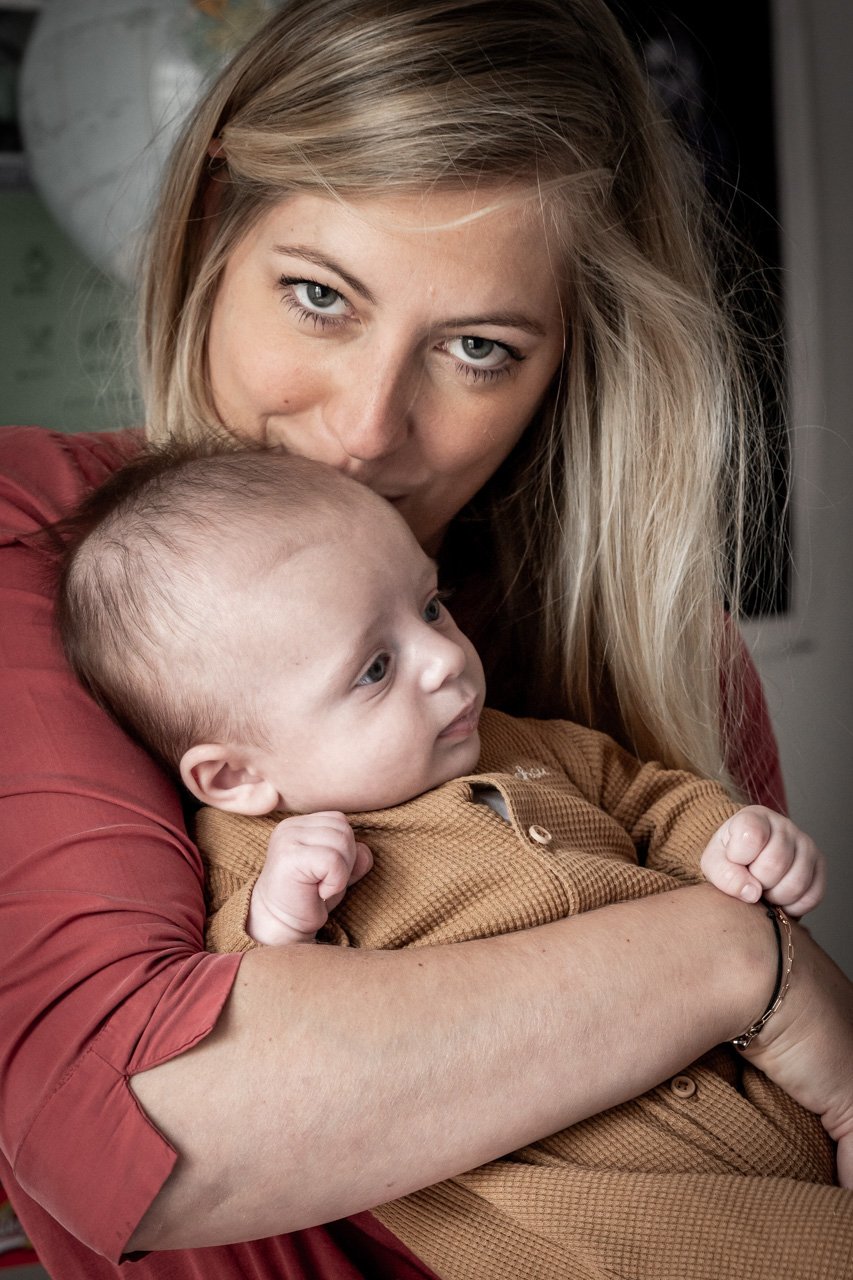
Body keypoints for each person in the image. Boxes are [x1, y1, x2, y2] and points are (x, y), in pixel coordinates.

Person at [2, 1, 852, 1278]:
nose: (364, 428)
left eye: (476, 348)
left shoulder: (669, 650)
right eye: (319, 296)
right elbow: (140, 1126)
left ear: (569, 356)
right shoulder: (37, 536)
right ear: (214, 224)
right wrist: (741, 958)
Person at [54, 441, 850, 1279]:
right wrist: (277, 923)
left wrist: (729, 838)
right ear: (235, 777)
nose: (443, 658)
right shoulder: (263, 856)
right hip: (597, 1219)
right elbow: (265, 1043)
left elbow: (652, 801)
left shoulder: (528, 745)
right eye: (374, 669)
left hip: (760, 1100)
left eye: (430, 608)